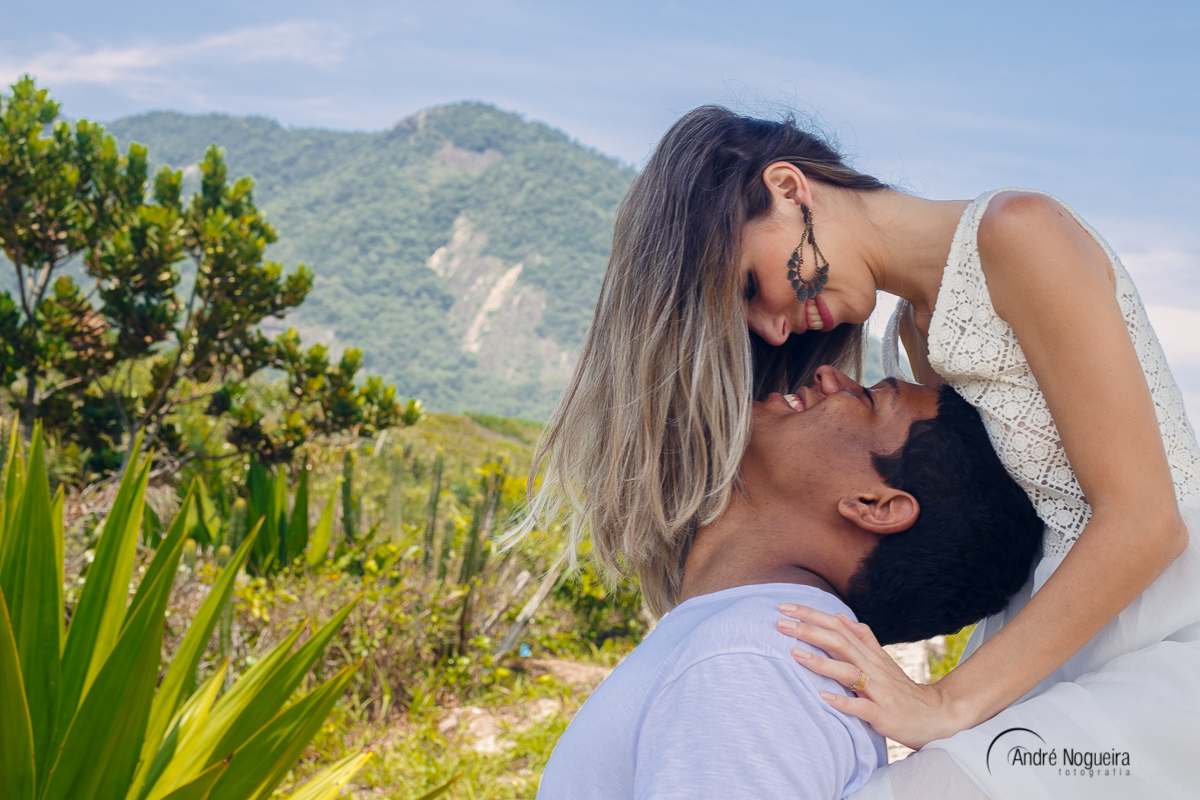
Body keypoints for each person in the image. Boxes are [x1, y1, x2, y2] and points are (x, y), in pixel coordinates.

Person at [524, 106, 1200, 799]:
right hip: (1054, 640)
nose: (774, 330)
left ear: (788, 189)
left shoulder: (1019, 231)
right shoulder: (917, 331)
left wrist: (944, 702)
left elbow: (1149, 519)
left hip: (1162, 629)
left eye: (753, 288)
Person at [536, 368, 1042, 799]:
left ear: (874, 505)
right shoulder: (762, 646)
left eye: (866, 399)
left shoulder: (764, 658)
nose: (827, 375)